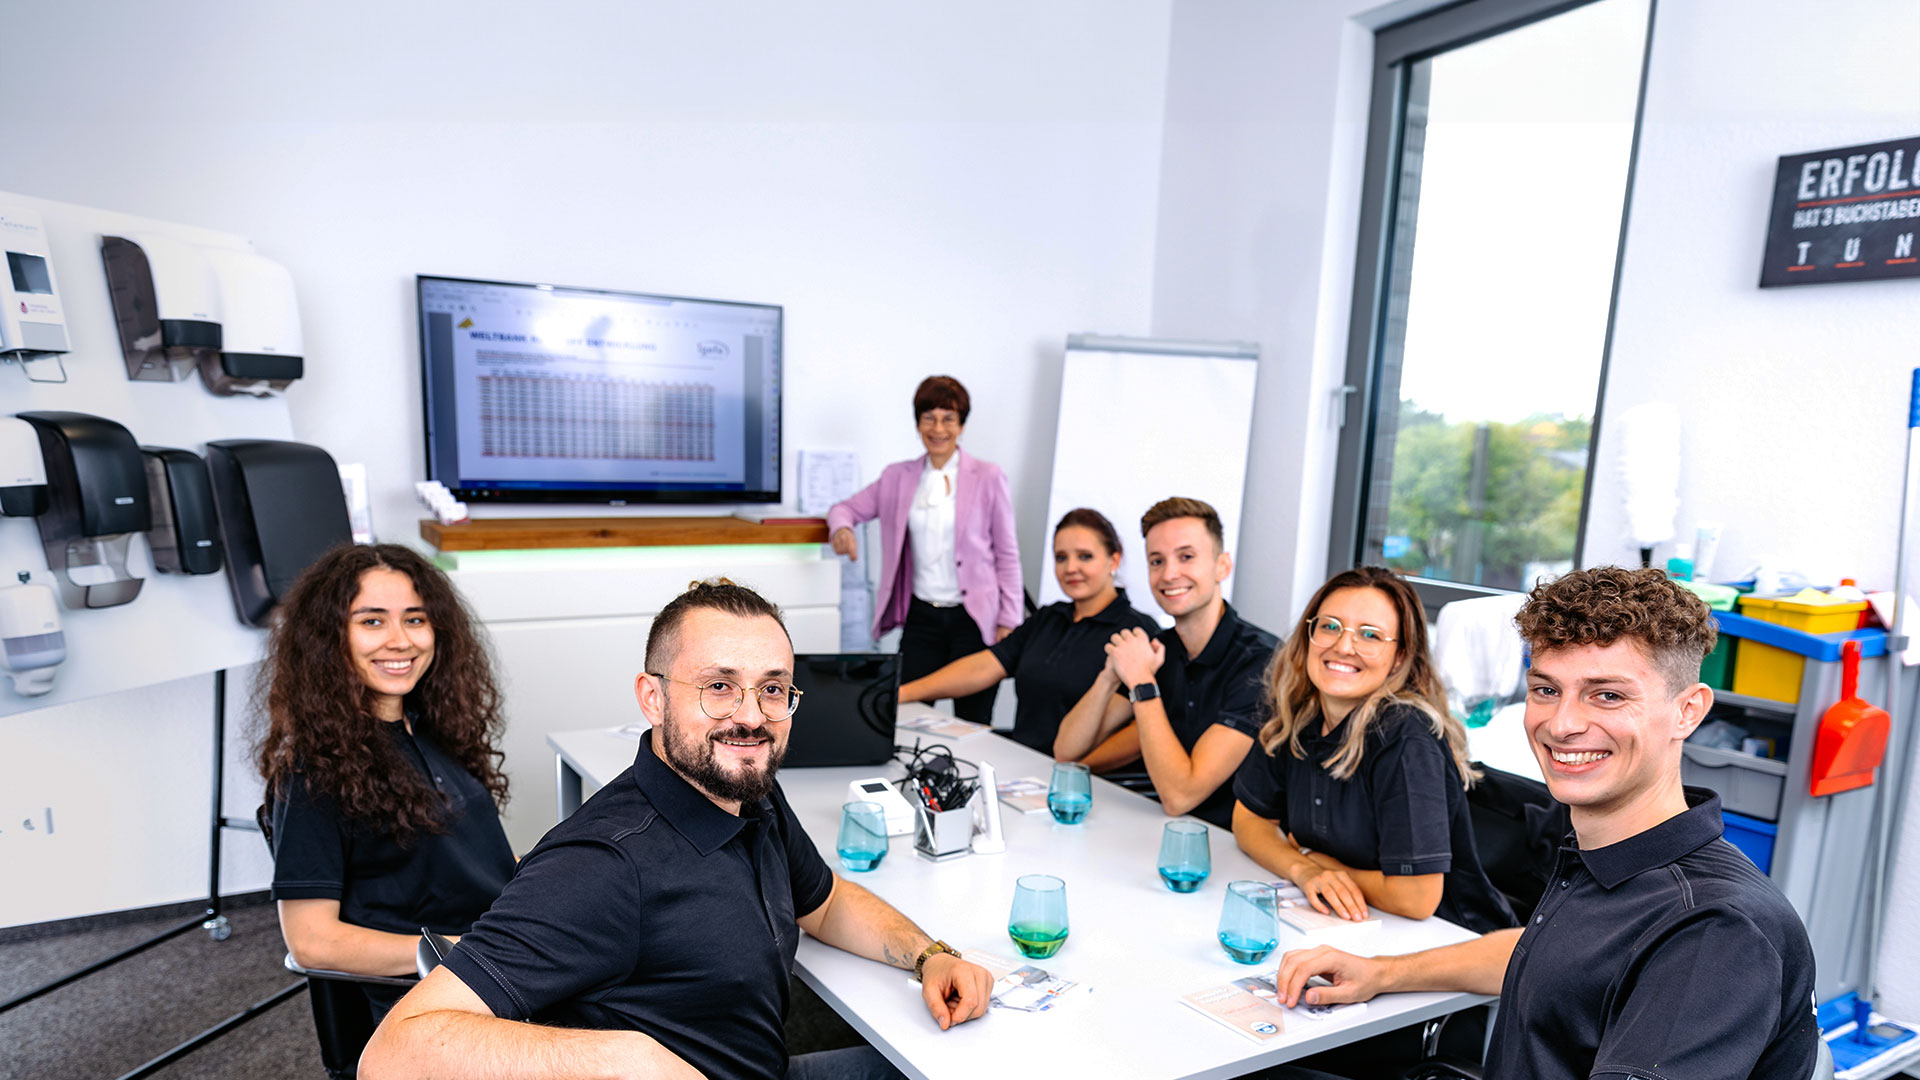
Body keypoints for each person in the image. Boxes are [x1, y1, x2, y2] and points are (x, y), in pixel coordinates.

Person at [360, 579, 995, 1080]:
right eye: (719, 687)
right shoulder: (604, 863)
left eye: (773, 689)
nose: (751, 717)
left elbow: (824, 903)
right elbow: (393, 1055)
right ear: (652, 697)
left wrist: (929, 955)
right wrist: (622, 1062)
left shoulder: (750, 791)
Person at [1269, 566, 1818, 1080]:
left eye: (1607, 695)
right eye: (1547, 689)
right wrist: (1382, 973)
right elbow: (1552, 957)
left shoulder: (1715, 933)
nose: (1563, 723)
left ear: (1688, 711)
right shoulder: (1605, 855)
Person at [256, 543, 516, 1023]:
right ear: (328, 638)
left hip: (502, 962)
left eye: (415, 619)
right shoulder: (313, 771)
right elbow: (313, 942)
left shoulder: (433, 731)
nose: (400, 640)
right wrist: (460, 949)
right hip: (435, 1000)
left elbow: (464, 863)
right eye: (372, 621)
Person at [1232, 566, 1515, 934]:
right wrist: (1303, 868)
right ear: (1309, 637)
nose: (1343, 645)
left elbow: (1416, 898)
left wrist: (1323, 866)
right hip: (1356, 926)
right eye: (1330, 626)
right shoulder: (1298, 714)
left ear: (1400, 657)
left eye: (1370, 635)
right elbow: (1248, 820)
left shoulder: (1406, 738)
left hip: (1449, 940)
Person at [1053, 497, 1278, 828]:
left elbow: (1180, 796)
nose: (1169, 574)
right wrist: (1108, 678)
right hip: (1164, 831)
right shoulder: (1163, 648)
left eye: (1186, 557)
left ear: (1222, 566)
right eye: (1156, 561)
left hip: (1237, 848)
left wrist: (1142, 684)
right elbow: (1067, 751)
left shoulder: (1261, 662)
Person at [827, 375, 1022, 725]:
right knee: (908, 714)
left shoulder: (989, 477)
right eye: (929, 417)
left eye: (948, 418)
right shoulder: (897, 477)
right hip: (922, 619)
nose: (938, 428)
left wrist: (1009, 620)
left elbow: (1008, 554)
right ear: (917, 423)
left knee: (974, 720)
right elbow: (845, 509)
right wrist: (842, 530)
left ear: (962, 424)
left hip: (974, 620)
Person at [899, 507, 1159, 755]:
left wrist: (1073, 771)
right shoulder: (1048, 618)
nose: (1070, 568)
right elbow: (985, 666)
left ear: (1114, 558)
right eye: (1061, 558)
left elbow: (1136, 732)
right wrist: (902, 693)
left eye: (1085, 556)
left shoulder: (1136, 632)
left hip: (1082, 781)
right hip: (1022, 767)